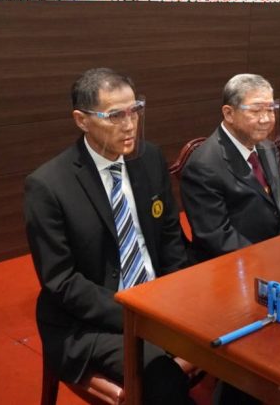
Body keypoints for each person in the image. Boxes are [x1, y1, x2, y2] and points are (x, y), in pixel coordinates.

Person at [24, 69, 191, 404]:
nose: (130, 125)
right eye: (115, 116)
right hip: (89, 322)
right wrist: (138, 316)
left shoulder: (149, 158)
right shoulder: (48, 186)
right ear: (82, 120)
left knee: (236, 345)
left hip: (159, 302)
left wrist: (179, 298)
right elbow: (62, 282)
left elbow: (170, 237)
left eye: (135, 111)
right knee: (162, 375)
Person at [180, 74, 280, 263]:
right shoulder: (203, 166)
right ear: (229, 114)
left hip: (277, 254)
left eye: (270, 109)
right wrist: (265, 259)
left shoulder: (267, 147)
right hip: (235, 264)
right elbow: (217, 236)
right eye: (256, 111)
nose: (266, 119)